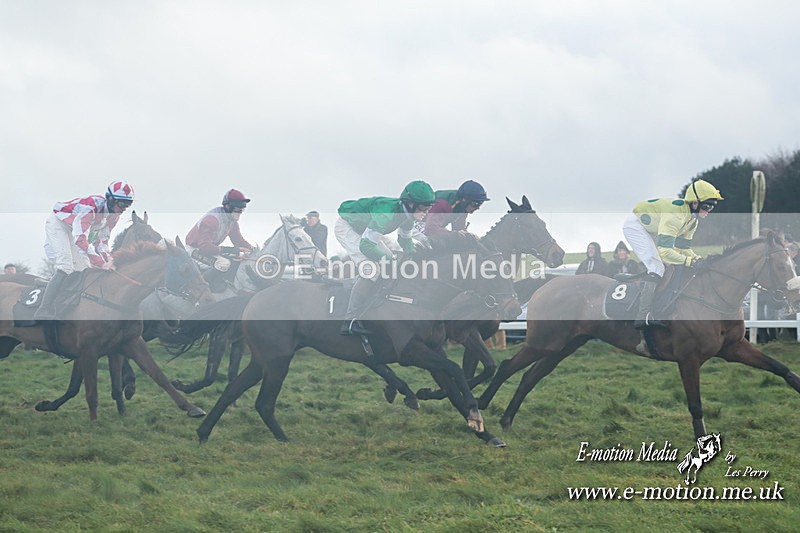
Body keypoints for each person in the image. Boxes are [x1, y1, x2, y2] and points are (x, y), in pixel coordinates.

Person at [335, 180, 436, 335]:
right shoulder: (386, 214)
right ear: (409, 204)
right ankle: (350, 321)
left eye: (429, 207)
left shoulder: (408, 216)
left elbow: (405, 240)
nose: (426, 212)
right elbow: (366, 246)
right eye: (423, 207)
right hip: (347, 227)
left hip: (364, 229)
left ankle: (372, 299)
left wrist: (415, 258)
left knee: (389, 258)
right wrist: (392, 262)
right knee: (372, 270)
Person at [622, 178, 724, 329]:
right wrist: (690, 262)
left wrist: (697, 259)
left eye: (712, 208)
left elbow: (683, 249)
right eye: (706, 206)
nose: (708, 211)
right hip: (636, 226)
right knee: (657, 268)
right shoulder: (676, 217)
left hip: (652, 228)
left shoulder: (692, 221)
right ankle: (642, 316)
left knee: (669, 264)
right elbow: (665, 252)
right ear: (694, 203)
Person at [35, 180, 135, 320]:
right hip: (59, 225)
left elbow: (102, 243)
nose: (124, 208)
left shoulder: (114, 216)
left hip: (75, 231)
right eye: (122, 203)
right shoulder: (90, 207)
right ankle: (43, 310)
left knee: (85, 268)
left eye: (128, 204)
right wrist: (101, 263)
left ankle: (67, 304)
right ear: (111, 199)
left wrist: (111, 261)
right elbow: (81, 240)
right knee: (65, 265)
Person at [185, 189, 255, 278]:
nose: (241, 212)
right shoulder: (212, 220)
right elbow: (204, 246)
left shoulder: (232, 222)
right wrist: (232, 250)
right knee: (223, 264)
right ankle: (204, 288)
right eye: (238, 209)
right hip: (194, 250)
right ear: (228, 206)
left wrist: (253, 250)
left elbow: (239, 241)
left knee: (237, 257)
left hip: (208, 250)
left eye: (242, 209)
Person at [423, 180, 489, 237]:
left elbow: (459, 233)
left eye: (481, 203)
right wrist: (457, 235)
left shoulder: (462, 209)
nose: (478, 208)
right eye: (476, 204)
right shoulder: (443, 204)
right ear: (464, 200)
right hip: (418, 224)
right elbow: (430, 230)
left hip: (428, 226)